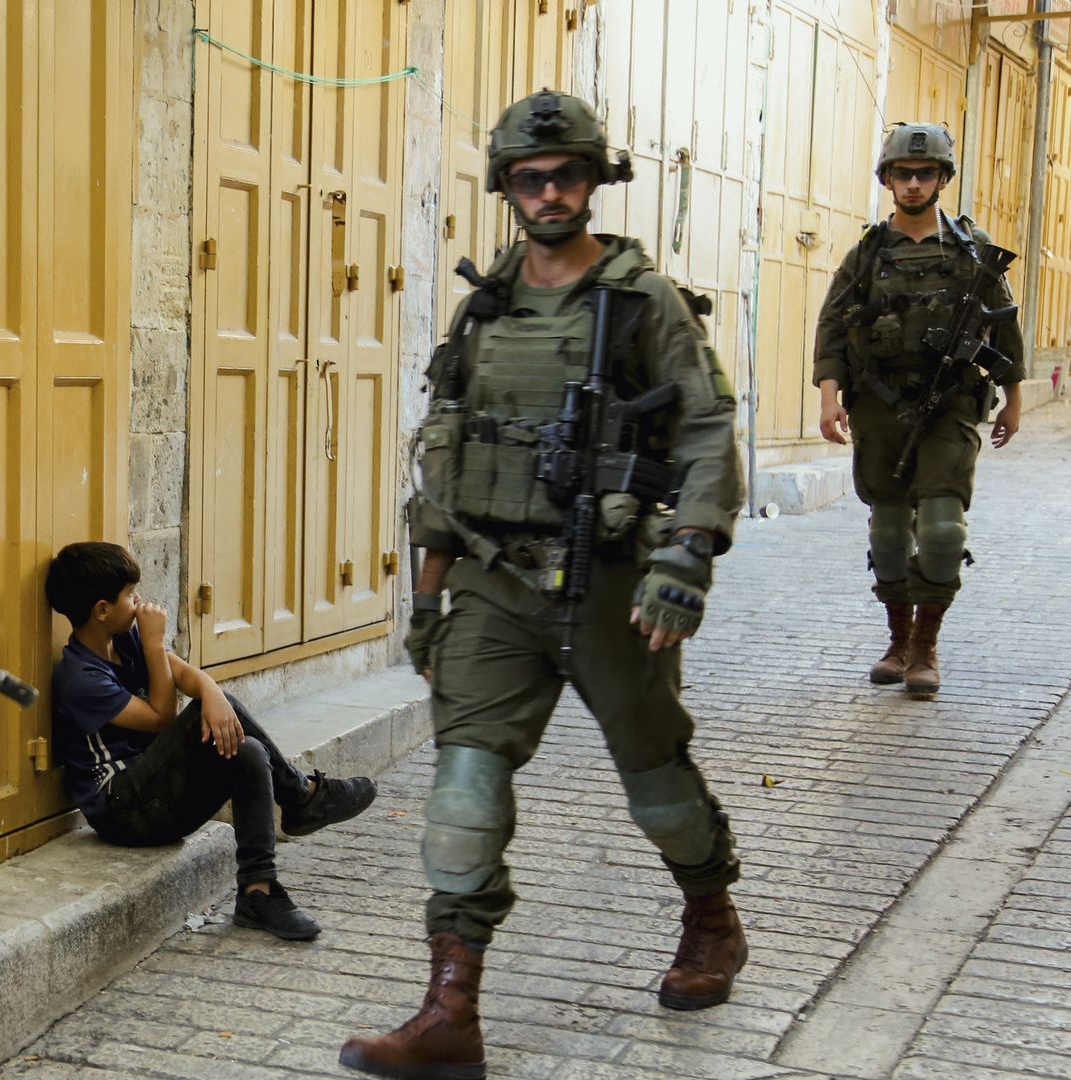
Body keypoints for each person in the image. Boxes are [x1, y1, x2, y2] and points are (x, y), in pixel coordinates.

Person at [339, 90, 748, 1079]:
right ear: (508, 188)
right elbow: (445, 455)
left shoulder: (642, 301)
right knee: (464, 792)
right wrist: (428, 597)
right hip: (493, 581)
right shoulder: (487, 306)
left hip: (611, 583)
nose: (551, 191)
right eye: (532, 177)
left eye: (568, 174)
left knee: (658, 786)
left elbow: (704, 433)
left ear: (595, 180)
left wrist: (685, 558)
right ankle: (450, 1014)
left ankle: (711, 916)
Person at [42, 542, 377, 941]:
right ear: (101, 610)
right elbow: (161, 719)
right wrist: (155, 644)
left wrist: (213, 692)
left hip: (157, 796)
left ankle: (259, 891)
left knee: (248, 750)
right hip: (122, 811)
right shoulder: (79, 677)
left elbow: (189, 678)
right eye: (130, 596)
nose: (139, 603)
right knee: (218, 716)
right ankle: (302, 796)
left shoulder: (123, 639)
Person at [814, 122, 1025, 696]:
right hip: (881, 407)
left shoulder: (973, 250)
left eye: (924, 173)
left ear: (942, 179)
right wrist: (831, 397)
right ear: (887, 179)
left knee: (941, 532)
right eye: (902, 173)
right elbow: (833, 327)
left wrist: (1013, 399)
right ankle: (898, 641)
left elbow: (1004, 329)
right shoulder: (868, 254)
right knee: (887, 532)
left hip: (950, 405)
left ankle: (927, 647)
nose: (912, 183)